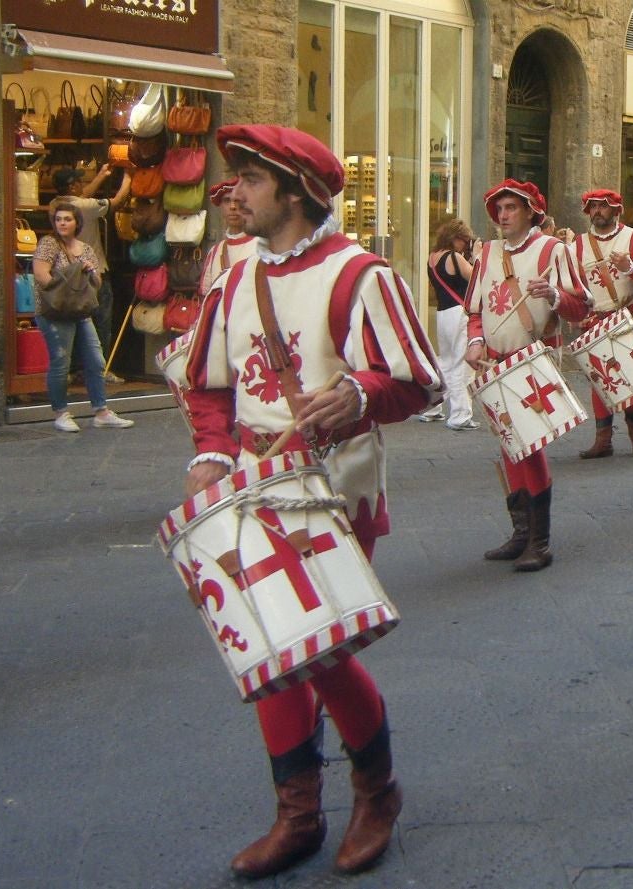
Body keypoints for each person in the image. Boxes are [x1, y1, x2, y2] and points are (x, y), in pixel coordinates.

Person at [183, 124, 444, 878]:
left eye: (252, 180)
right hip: (250, 486)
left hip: (334, 489)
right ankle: (296, 814)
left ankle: (376, 791)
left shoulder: (361, 276)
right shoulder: (234, 279)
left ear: (295, 193)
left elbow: (416, 380)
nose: (236, 193)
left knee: (319, 650)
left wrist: (358, 393)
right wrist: (210, 453)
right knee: (268, 648)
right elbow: (208, 385)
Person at [464, 179, 589, 572]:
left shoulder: (553, 251)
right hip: (494, 363)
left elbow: (581, 307)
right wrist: (475, 342)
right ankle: (521, 534)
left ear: (530, 211)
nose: (503, 216)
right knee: (509, 446)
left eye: (511, 208)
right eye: (499, 209)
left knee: (530, 446)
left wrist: (553, 295)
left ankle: (539, 541)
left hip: (533, 361)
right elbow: (475, 312)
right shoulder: (487, 253)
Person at [572, 188, 633, 458]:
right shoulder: (577, 245)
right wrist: (576, 313)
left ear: (615, 210)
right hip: (593, 322)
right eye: (593, 207)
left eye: (602, 206)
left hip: (624, 320)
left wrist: (630, 268)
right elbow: (570, 286)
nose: (597, 211)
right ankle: (603, 440)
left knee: (627, 378)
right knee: (599, 381)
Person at [34, 200, 135, 432]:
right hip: (56, 312)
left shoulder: (86, 249)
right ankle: (61, 413)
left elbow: (97, 283)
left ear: (77, 222)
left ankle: (101, 412)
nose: (62, 223)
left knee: (96, 361)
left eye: (67, 219)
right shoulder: (49, 244)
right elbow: (41, 275)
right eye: (58, 219)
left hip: (80, 311)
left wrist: (90, 272)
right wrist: (66, 293)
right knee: (61, 362)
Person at [51, 165, 130, 382]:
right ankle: (99, 370)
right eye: (79, 182)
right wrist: (129, 176)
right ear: (72, 186)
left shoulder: (56, 205)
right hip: (94, 272)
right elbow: (117, 202)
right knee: (101, 321)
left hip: (69, 273)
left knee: (76, 322)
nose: (82, 185)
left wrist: (102, 175)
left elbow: (83, 195)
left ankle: (77, 369)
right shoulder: (84, 207)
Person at [426, 217, 478, 431]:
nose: (465, 245)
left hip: (442, 313)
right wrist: (476, 257)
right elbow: (476, 279)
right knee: (461, 364)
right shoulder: (454, 257)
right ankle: (460, 415)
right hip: (459, 313)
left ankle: (431, 407)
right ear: (456, 238)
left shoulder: (432, 257)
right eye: (465, 241)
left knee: (446, 362)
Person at [198, 177, 257, 295]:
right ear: (221, 207)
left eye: (238, 201)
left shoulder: (262, 247)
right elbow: (206, 296)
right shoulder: (215, 252)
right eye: (227, 201)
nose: (232, 206)